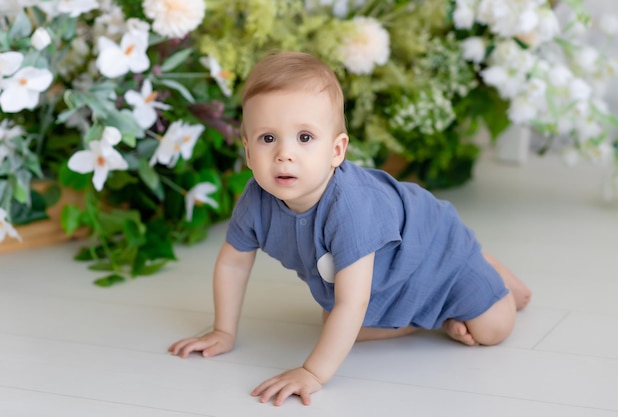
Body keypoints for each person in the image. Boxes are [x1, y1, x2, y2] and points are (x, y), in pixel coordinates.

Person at [169, 51, 532, 407]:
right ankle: (426, 319)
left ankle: (485, 267)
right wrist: (223, 331)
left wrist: (312, 372)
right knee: (338, 321)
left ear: (337, 150)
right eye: (268, 138)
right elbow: (233, 264)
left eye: (305, 138)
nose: (284, 154)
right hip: (385, 276)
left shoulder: (351, 207)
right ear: (248, 153)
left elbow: (353, 301)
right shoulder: (256, 201)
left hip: (436, 252)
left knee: (493, 329)